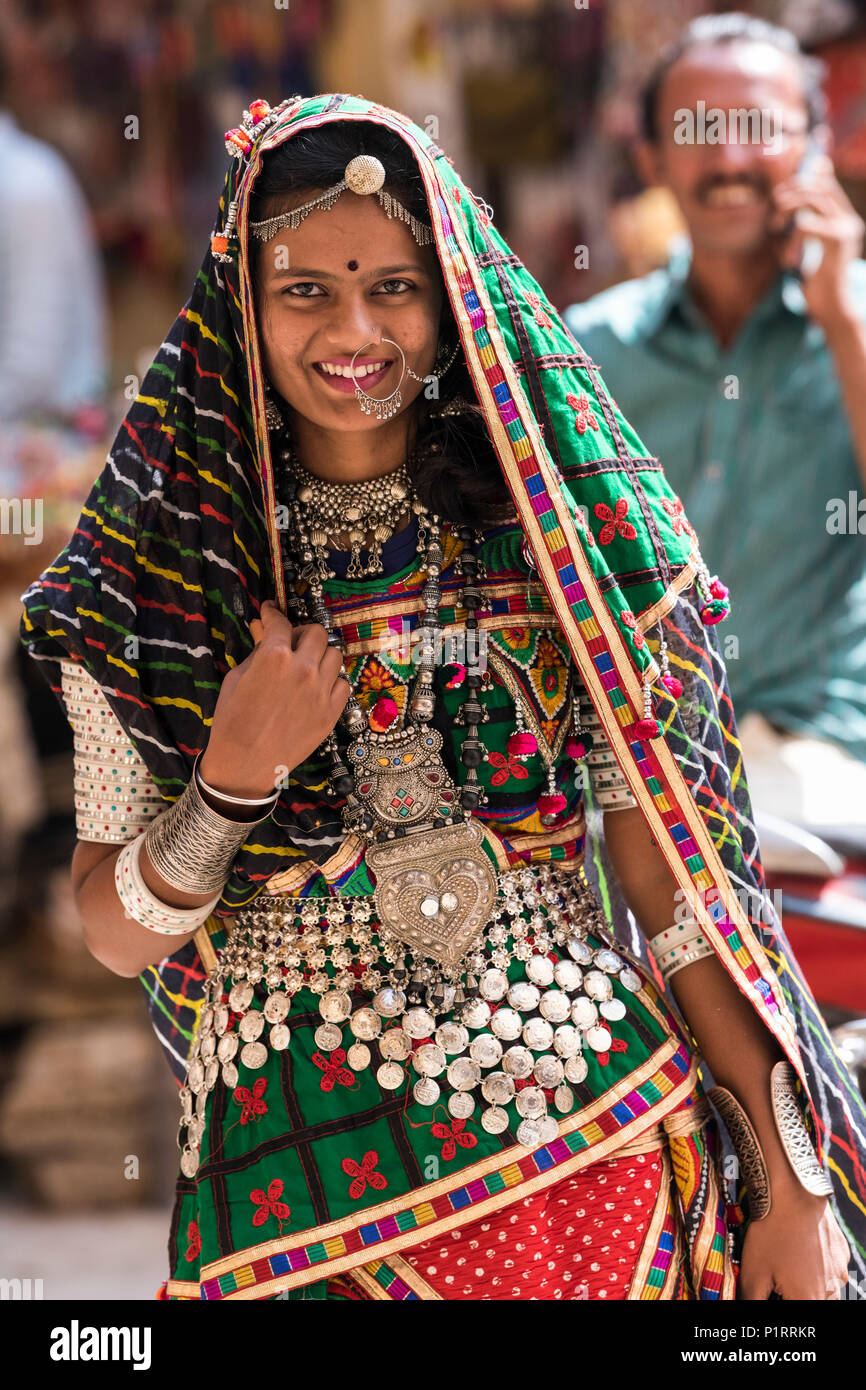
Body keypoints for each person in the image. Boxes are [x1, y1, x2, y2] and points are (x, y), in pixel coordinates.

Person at [21, 94, 861, 1302]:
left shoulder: (558, 541)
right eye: (305, 291)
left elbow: (671, 884)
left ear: (452, 295)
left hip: (588, 1137)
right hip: (289, 1183)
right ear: (239, 308)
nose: (353, 330)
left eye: (395, 288)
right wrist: (232, 779)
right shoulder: (157, 579)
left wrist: (788, 1183)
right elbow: (112, 931)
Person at [564, 12, 866, 843]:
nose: (731, 159)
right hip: (629, 771)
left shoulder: (860, 321)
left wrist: (843, 322)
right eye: (700, 131)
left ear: (818, 144)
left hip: (819, 769)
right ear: (651, 158)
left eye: (761, 128)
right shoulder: (584, 353)